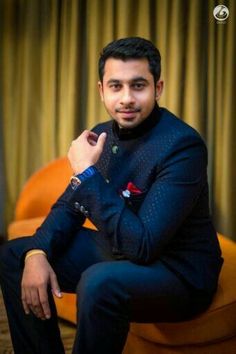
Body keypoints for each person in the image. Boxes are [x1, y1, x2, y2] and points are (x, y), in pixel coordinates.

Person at [0, 37, 223, 354]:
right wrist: (37, 252)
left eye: (138, 85)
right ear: (101, 90)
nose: (127, 98)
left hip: (178, 272)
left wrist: (86, 173)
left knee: (99, 281)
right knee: (15, 256)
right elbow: (70, 205)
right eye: (116, 86)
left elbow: (143, 246)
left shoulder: (182, 146)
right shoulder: (101, 134)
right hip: (122, 250)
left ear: (158, 88)